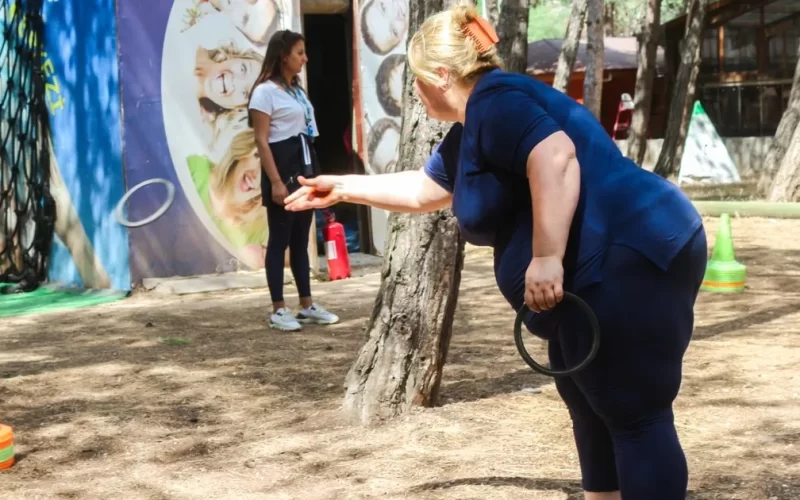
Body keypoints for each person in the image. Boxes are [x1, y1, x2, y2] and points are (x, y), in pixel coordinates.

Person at [283, 3, 707, 499]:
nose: (415, 94)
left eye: (417, 80)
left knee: (633, 413)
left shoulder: (497, 102)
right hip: (611, 262)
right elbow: (425, 190)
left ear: (441, 75)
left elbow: (555, 158)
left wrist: (546, 256)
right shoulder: (476, 119)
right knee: (586, 397)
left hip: (632, 254)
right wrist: (343, 188)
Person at [247, 30, 339, 331]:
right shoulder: (264, 92)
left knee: (301, 240)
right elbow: (262, 141)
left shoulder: (296, 91)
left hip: (304, 164)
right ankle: (278, 309)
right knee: (280, 240)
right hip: (281, 167)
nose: (305, 58)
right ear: (283, 55)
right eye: (300, 52)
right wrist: (275, 181)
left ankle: (307, 305)